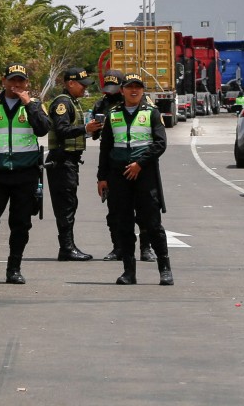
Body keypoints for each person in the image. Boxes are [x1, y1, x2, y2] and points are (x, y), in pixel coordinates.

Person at [0, 63, 51, 285]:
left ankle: (14, 269)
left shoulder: (34, 105)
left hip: (26, 175)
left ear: (27, 84)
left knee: (21, 223)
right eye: (12, 80)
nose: (16, 84)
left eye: (21, 81)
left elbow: (44, 129)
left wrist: (29, 104)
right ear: (3, 81)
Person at [97, 73, 173, 285]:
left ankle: (165, 269)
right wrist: (101, 177)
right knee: (124, 224)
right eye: (129, 87)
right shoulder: (113, 115)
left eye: (138, 87)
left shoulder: (152, 113)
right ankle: (129, 271)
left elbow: (160, 143)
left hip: (144, 175)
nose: (134, 91)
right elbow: (106, 148)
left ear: (142, 90)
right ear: (122, 91)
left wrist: (140, 163)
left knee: (152, 223)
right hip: (119, 176)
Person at [91, 70, 154, 262]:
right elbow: (100, 141)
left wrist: (142, 163)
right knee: (115, 211)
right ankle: (118, 247)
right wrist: (101, 176)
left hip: (140, 165)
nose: (111, 95)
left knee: (144, 211)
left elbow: (156, 139)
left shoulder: (144, 105)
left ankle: (145, 248)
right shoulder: (102, 105)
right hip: (115, 165)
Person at [46, 67, 103, 261]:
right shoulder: (63, 103)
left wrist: (91, 131)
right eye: (82, 85)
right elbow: (62, 130)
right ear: (70, 83)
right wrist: (84, 128)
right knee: (66, 206)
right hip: (61, 161)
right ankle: (67, 248)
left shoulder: (73, 102)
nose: (85, 89)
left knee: (70, 204)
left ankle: (68, 247)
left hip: (68, 161)